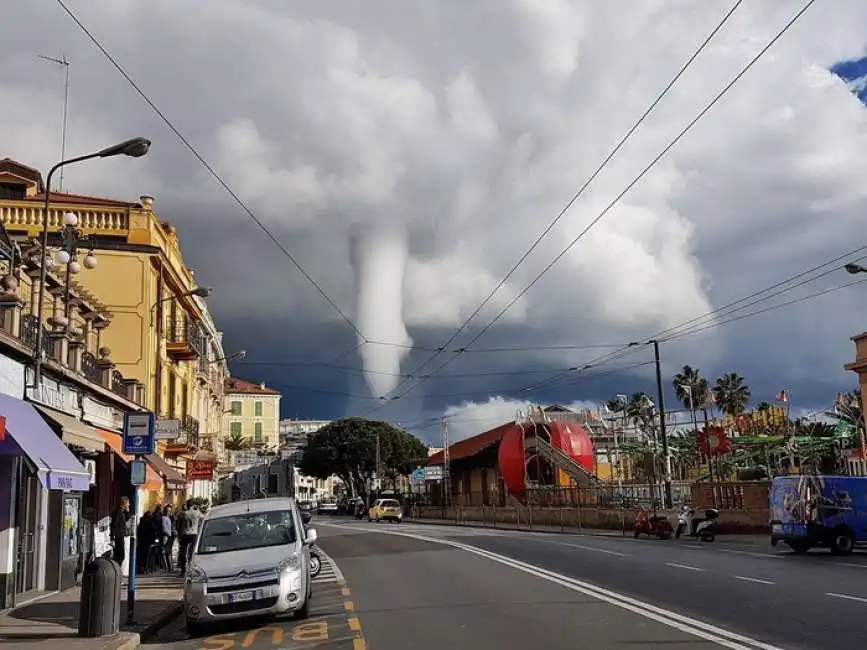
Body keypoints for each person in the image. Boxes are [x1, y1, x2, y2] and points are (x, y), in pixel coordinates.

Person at [177, 500, 203, 574]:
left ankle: (183, 569)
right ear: (193, 505)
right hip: (193, 534)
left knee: (183, 551)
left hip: (185, 534)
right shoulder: (196, 512)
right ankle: (191, 567)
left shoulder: (184, 513)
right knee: (192, 552)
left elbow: (178, 517)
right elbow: (203, 517)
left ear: (187, 505)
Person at [110, 496, 131, 566]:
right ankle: (116, 570)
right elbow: (114, 525)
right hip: (118, 536)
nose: (129, 505)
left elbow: (127, 518)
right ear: (124, 503)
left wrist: (127, 511)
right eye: (128, 503)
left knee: (120, 555)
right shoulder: (118, 512)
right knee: (120, 556)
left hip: (120, 535)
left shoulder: (122, 512)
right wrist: (112, 538)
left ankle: (117, 570)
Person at [162, 505, 176, 572]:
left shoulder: (169, 518)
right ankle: (168, 568)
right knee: (167, 552)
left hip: (169, 536)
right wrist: (169, 534)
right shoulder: (164, 518)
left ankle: (170, 568)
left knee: (168, 552)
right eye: (168, 511)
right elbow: (164, 528)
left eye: (170, 510)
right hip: (166, 537)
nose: (169, 512)